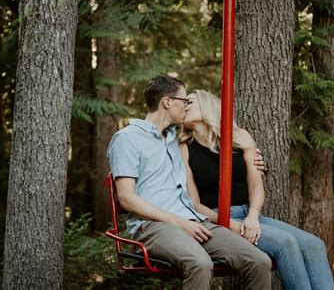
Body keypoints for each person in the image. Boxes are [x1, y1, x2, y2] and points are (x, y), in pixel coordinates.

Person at [107, 75, 271, 290]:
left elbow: (214, 147)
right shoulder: (127, 139)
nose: (187, 107)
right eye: (184, 101)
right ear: (167, 102)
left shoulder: (177, 141)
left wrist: (253, 158)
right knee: (200, 263)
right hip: (153, 226)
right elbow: (127, 199)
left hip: (195, 221)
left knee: (259, 261)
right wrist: (179, 222)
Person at [179, 89, 334, 290]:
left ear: (207, 105)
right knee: (285, 243)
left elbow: (256, 186)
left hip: (251, 215)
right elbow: (195, 204)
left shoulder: (239, 137)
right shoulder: (184, 148)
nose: (184, 106)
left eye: (189, 102)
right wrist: (232, 225)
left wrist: (252, 216)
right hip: (218, 219)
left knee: (315, 245)